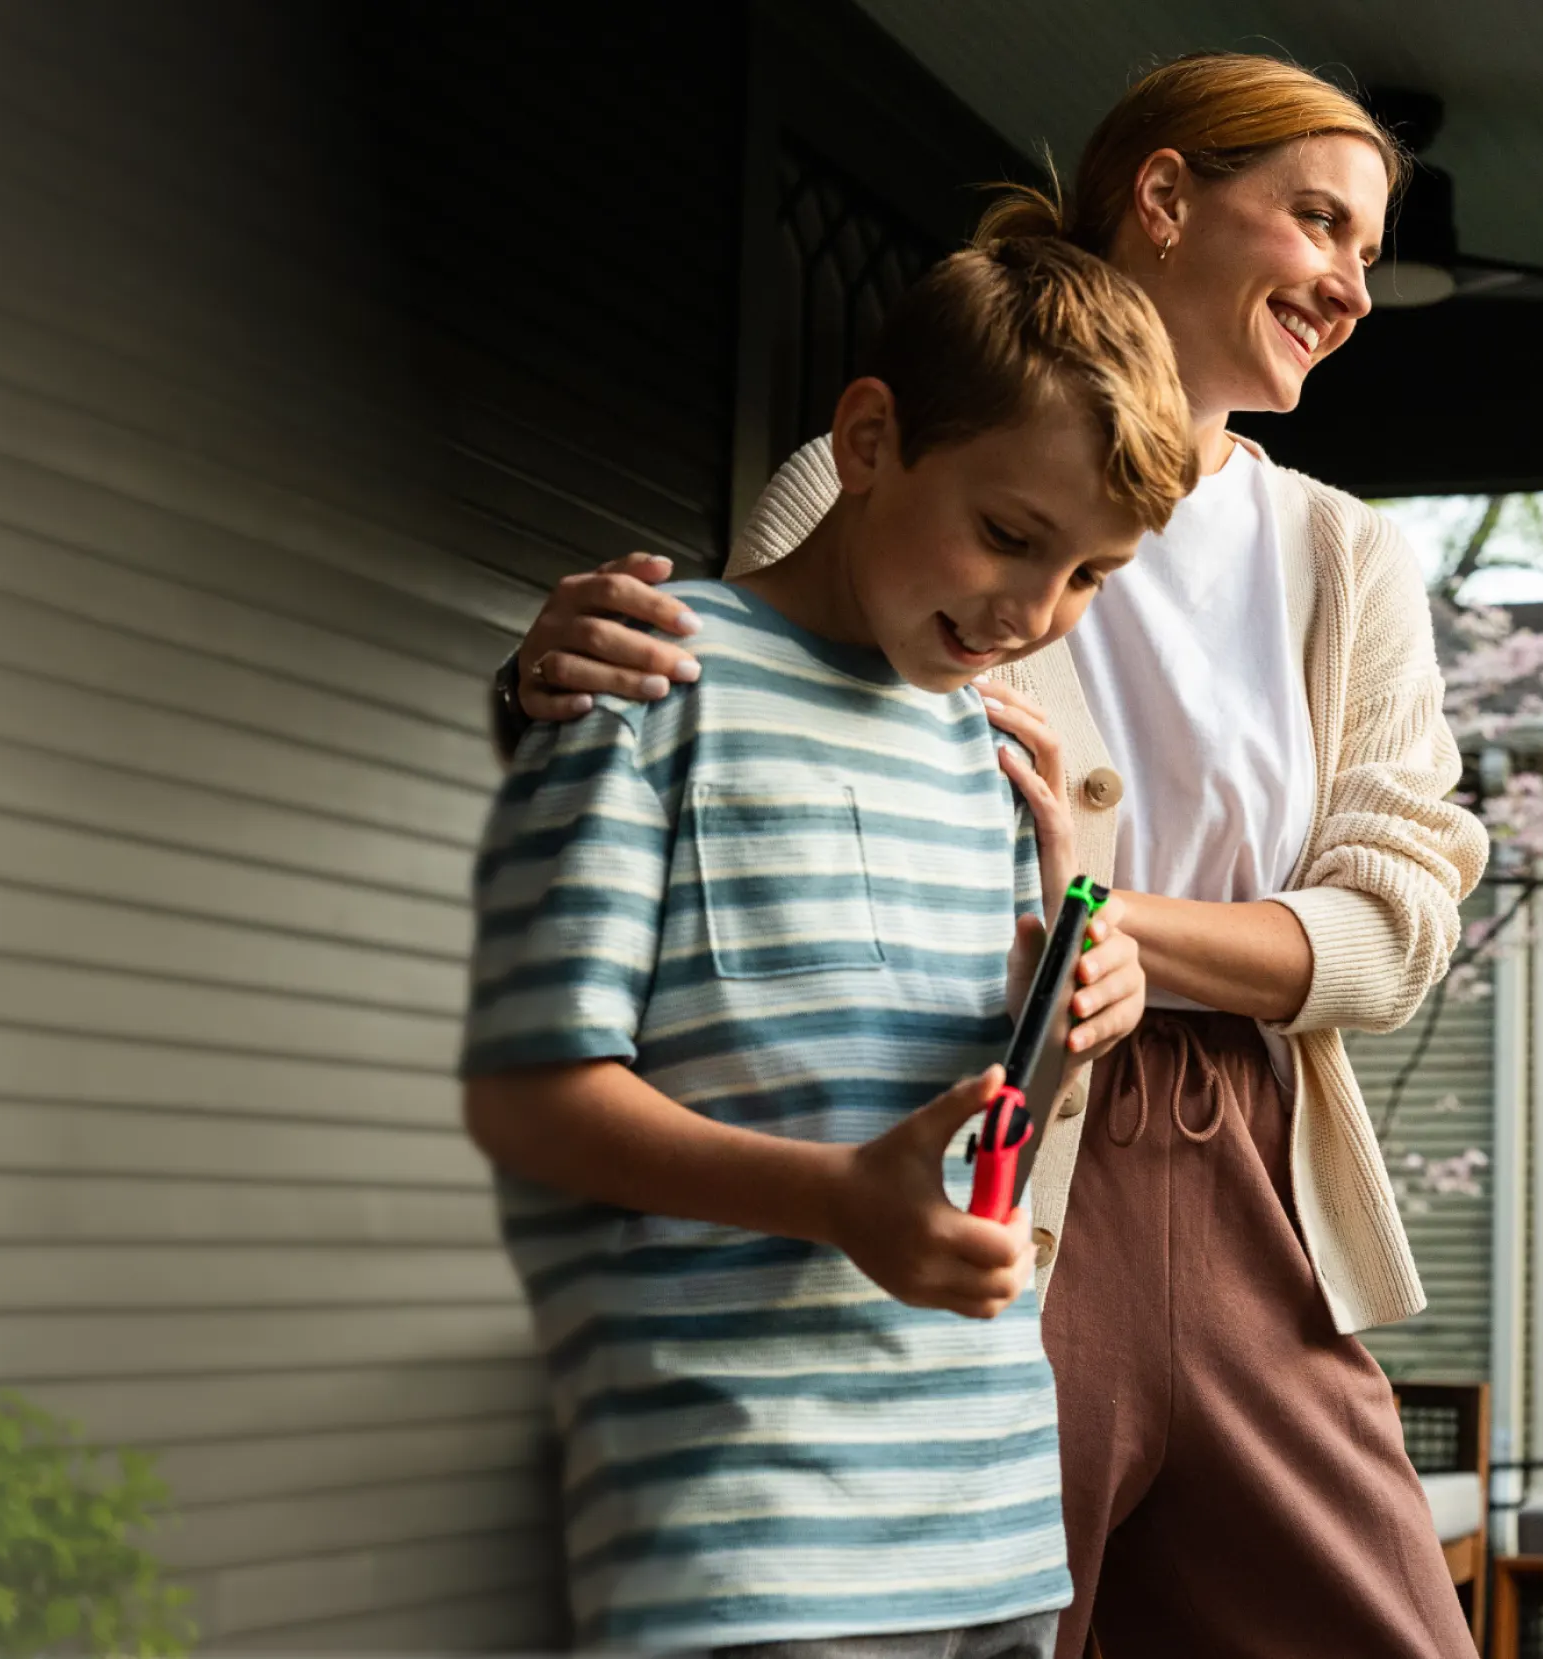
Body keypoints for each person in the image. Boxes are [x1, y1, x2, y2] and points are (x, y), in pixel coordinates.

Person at [497, 55, 1489, 1659]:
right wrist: (567, 674)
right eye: (1320, 224)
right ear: (1165, 199)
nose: (1351, 285)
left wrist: (1116, 929)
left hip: (1250, 1178)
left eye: (1370, 252)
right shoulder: (865, 470)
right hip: (993, 1149)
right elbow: (778, 764)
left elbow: (1392, 929)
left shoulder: (1344, 554)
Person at [460, 235, 1180, 1657]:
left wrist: (1065, 996)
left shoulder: (994, 753)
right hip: (748, 1537)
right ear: (867, 441)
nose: (1033, 616)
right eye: (1010, 536)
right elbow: (533, 1099)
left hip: (989, 1526)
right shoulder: (648, 683)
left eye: (1093, 575)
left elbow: (957, 1131)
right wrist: (836, 1197)